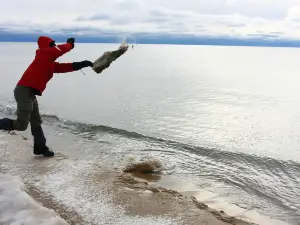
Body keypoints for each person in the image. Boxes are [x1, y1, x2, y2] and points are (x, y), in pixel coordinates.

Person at [0, 36, 93, 157]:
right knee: (21, 125)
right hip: (23, 91)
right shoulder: (43, 54)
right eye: (52, 44)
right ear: (45, 46)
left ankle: (40, 148)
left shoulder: (47, 61)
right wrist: (70, 44)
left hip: (30, 92)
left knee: (36, 121)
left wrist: (81, 64)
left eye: (54, 44)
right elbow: (59, 50)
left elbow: (62, 67)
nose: (54, 46)